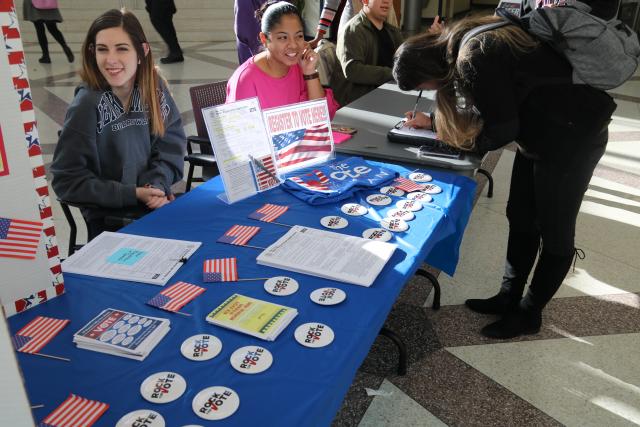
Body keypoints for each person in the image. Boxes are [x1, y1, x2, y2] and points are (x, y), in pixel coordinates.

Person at [393, 13, 616, 339]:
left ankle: (529, 314)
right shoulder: (461, 42)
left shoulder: (473, 55)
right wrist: (439, 124)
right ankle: (508, 296)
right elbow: (498, 102)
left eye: (422, 87)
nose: (428, 92)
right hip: (542, 131)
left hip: (574, 138)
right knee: (521, 216)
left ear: (429, 72)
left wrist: (465, 145)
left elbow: (501, 128)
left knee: (555, 231)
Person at [50, 9, 186, 240]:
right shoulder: (86, 104)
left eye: (121, 48)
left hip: (154, 207)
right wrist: (131, 194)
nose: (110, 59)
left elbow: (169, 148)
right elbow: (67, 180)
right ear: (92, 52)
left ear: (142, 51)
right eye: (102, 49)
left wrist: (156, 185)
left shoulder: (154, 89)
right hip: (110, 223)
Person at [226, 1, 340, 119]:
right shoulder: (246, 79)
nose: (293, 45)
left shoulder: (301, 67)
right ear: (264, 39)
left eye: (299, 36)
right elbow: (239, 134)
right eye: (283, 38)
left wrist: (310, 73)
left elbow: (322, 116)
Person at [330, 0, 403, 106]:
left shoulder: (392, 32)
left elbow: (407, 62)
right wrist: (392, 73)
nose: (386, 1)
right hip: (358, 103)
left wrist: (433, 40)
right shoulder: (353, 30)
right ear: (365, 1)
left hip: (388, 95)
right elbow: (353, 70)